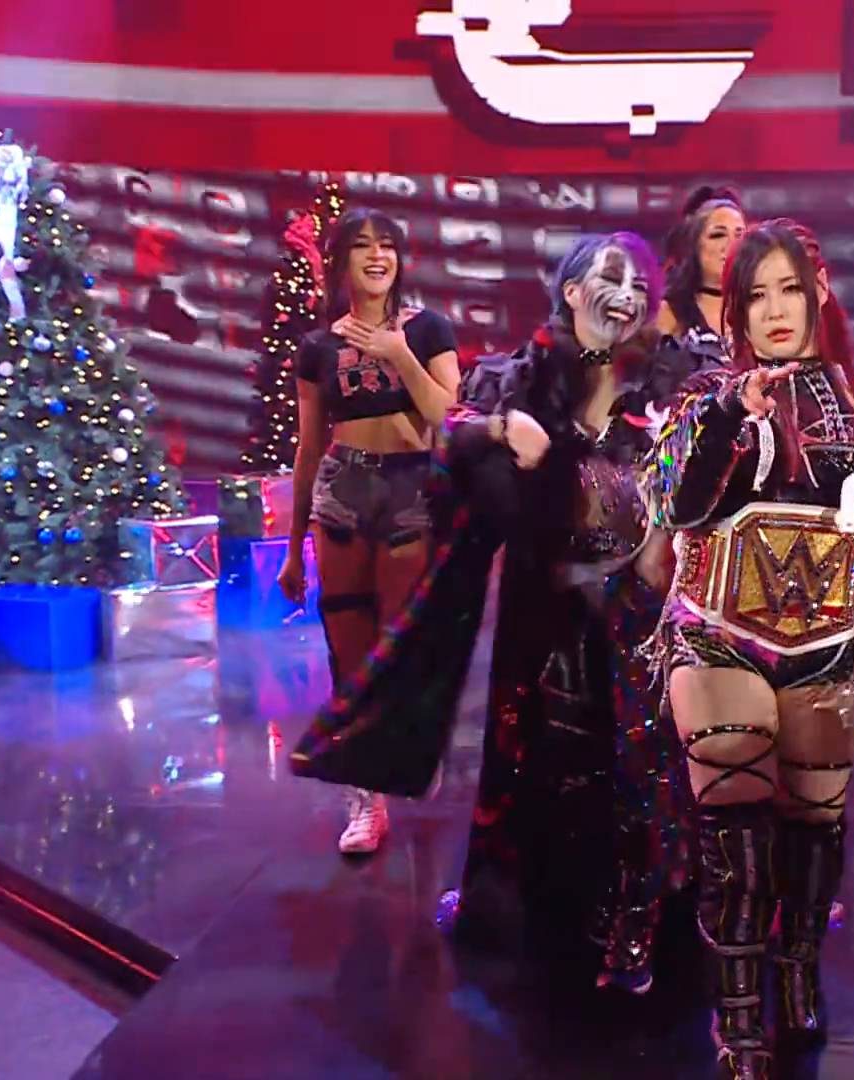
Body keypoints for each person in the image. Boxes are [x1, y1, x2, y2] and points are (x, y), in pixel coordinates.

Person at [290, 231, 715, 994]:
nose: (625, 296)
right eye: (608, 280)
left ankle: (639, 916)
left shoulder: (671, 378)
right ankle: (541, 906)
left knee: (643, 758)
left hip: (639, 608)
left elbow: (712, 462)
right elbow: (450, 436)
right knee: (536, 756)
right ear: (571, 291)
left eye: (639, 286)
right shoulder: (521, 374)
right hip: (542, 602)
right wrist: (499, 430)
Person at [643, 218, 854, 1079]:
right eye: (755, 295)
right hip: (717, 632)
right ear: (735, 310)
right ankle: (737, 1016)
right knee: (734, 817)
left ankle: (796, 967)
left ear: (820, 292)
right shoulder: (705, 396)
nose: (774, 310)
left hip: (829, 643)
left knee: (813, 821)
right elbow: (672, 504)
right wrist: (728, 412)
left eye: (789, 289)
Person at [280, 208, 461, 855]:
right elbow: (308, 448)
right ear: (341, 262)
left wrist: (399, 355)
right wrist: (294, 547)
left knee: (401, 644)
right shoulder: (317, 347)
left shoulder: (428, 328)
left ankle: (408, 749)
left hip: (413, 489)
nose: (377, 256)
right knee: (349, 652)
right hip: (342, 490)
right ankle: (365, 799)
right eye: (362, 246)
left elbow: (451, 415)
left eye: (387, 246)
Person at [656, 184, 746, 360]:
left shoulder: (759, 307)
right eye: (718, 235)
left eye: (739, 235)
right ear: (694, 245)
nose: (732, 245)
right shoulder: (670, 313)